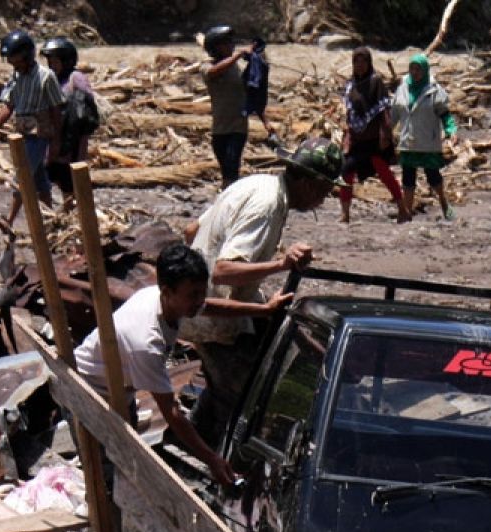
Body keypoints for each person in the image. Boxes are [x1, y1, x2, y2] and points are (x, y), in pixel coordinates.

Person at [74, 242, 291, 486]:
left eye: (201, 292)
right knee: (107, 478)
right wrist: (212, 459)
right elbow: (172, 412)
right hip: (89, 393)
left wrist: (263, 310)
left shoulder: (167, 301)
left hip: (119, 390)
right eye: (192, 295)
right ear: (167, 291)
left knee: (126, 467)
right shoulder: (146, 340)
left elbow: (211, 307)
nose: (199, 300)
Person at [188, 137, 346, 445]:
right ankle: (220, 471)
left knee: (224, 386)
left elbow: (191, 231)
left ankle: (190, 449)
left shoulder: (256, 184)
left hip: (201, 307)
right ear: (310, 184)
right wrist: (282, 264)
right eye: (325, 192)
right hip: (215, 318)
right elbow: (224, 270)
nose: (323, 201)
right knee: (245, 399)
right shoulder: (268, 204)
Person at [0, 30, 64, 236]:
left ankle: (10, 221)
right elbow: (9, 105)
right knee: (40, 181)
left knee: (22, 176)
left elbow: (56, 110)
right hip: (22, 135)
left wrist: (57, 140)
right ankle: (50, 222)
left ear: (27, 57)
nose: (15, 66)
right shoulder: (16, 78)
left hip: (39, 134)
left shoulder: (46, 77)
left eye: (17, 61)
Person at [339, 47, 407, 224]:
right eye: (356, 62)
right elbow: (349, 113)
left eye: (363, 62)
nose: (360, 66)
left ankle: (402, 208)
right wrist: (346, 135)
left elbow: (384, 109)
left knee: (384, 172)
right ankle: (345, 214)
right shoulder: (351, 85)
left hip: (374, 138)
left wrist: (385, 133)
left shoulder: (375, 82)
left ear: (369, 63)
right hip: (356, 138)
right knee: (346, 172)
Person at [391, 53, 456, 221]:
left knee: (433, 176)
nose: (414, 72)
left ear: (425, 70)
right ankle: (406, 212)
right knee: (408, 177)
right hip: (408, 141)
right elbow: (394, 114)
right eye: (412, 68)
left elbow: (445, 114)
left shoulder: (434, 90)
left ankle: (444, 203)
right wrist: (385, 131)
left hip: (428, 140)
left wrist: (450, 130)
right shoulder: (403, 88)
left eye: (418, 69)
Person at [40, 36, 97, 210]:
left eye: (55, 61)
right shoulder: (52, 80)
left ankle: (73, 214)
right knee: (46, 177)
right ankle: (51, 216)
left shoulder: (76, 78)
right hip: (53, 137)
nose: (51, 65)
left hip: (71, 140)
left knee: (69, 181)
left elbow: (84, 113)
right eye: (49, 61)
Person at [203, 25, 250, 189]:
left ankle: (230, 201)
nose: (231, 46)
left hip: (238, 127)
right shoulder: (207, 67)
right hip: (219, 128)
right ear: (215, 47)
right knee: (226, 170)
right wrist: (237, 56)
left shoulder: (236, 69)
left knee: (232, 168)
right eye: (226, 43)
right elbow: (214, 72)